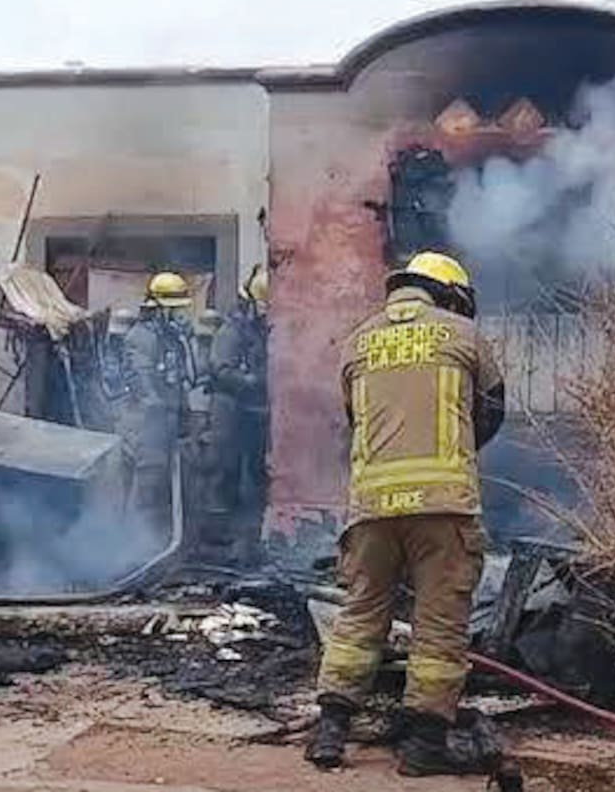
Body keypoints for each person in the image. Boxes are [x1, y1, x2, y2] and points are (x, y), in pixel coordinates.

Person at [306, 250, 506, 776]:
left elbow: (354, 420)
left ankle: (329, 732)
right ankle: (423, 749)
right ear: (450, 296)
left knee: (359, 616)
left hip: (370, 508)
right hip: (443, 508)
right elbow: (492, 414)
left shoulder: (358, 341)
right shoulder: (464, 337)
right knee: (438, 625)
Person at [117, 272, 195, 538]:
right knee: (146, 491)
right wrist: (163, 414)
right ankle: (133, 549)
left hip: (164, 426)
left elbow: (179, 380)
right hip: (145, 428)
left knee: (161, 494)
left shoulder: (169, 338)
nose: (177, 316)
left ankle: (155, 544)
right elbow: (144, 384)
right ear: (156, 309)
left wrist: (182, 416)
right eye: (172, 310)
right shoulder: (140, 338)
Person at [204, 266, 269, 556]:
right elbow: (221, 368)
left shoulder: (260, 327)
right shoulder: (233, 329)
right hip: (228, 407)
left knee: (256, 474)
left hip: (253, 410)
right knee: (224, 469)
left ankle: (250, 538)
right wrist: (251, 382)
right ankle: (217, 539)